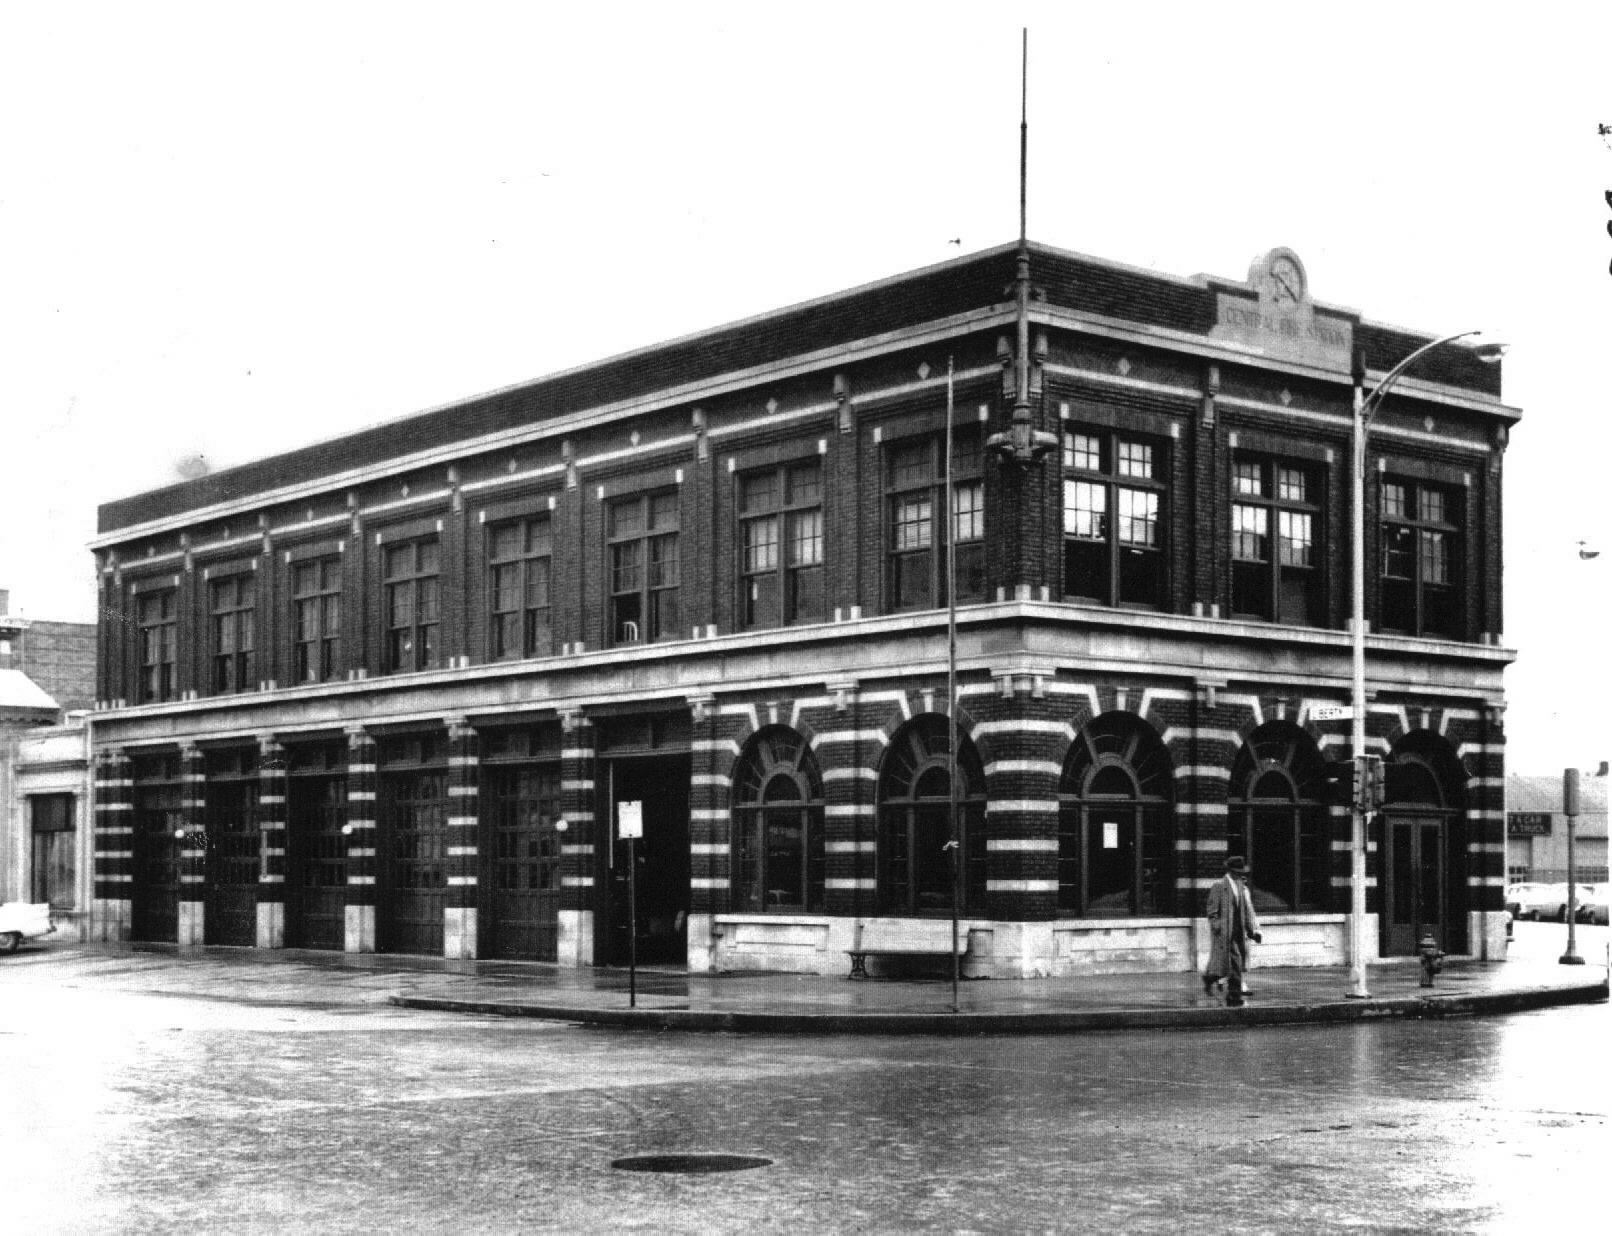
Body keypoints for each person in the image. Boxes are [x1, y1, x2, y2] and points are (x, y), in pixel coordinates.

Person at [1202, 856, 1262, 1007]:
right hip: (1224, 933)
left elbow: (1247, 911)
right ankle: (1234, 996)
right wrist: (1218, 926)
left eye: (1241, 872)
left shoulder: (1242, 887)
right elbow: (1212, 911)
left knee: (1228, 964)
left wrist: (1253, 931)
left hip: (1238, 932)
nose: (1240, 874)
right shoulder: (1219, 886)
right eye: (1237, 871)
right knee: (1234, 963)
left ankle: (1210, 978)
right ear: (1230, 871)